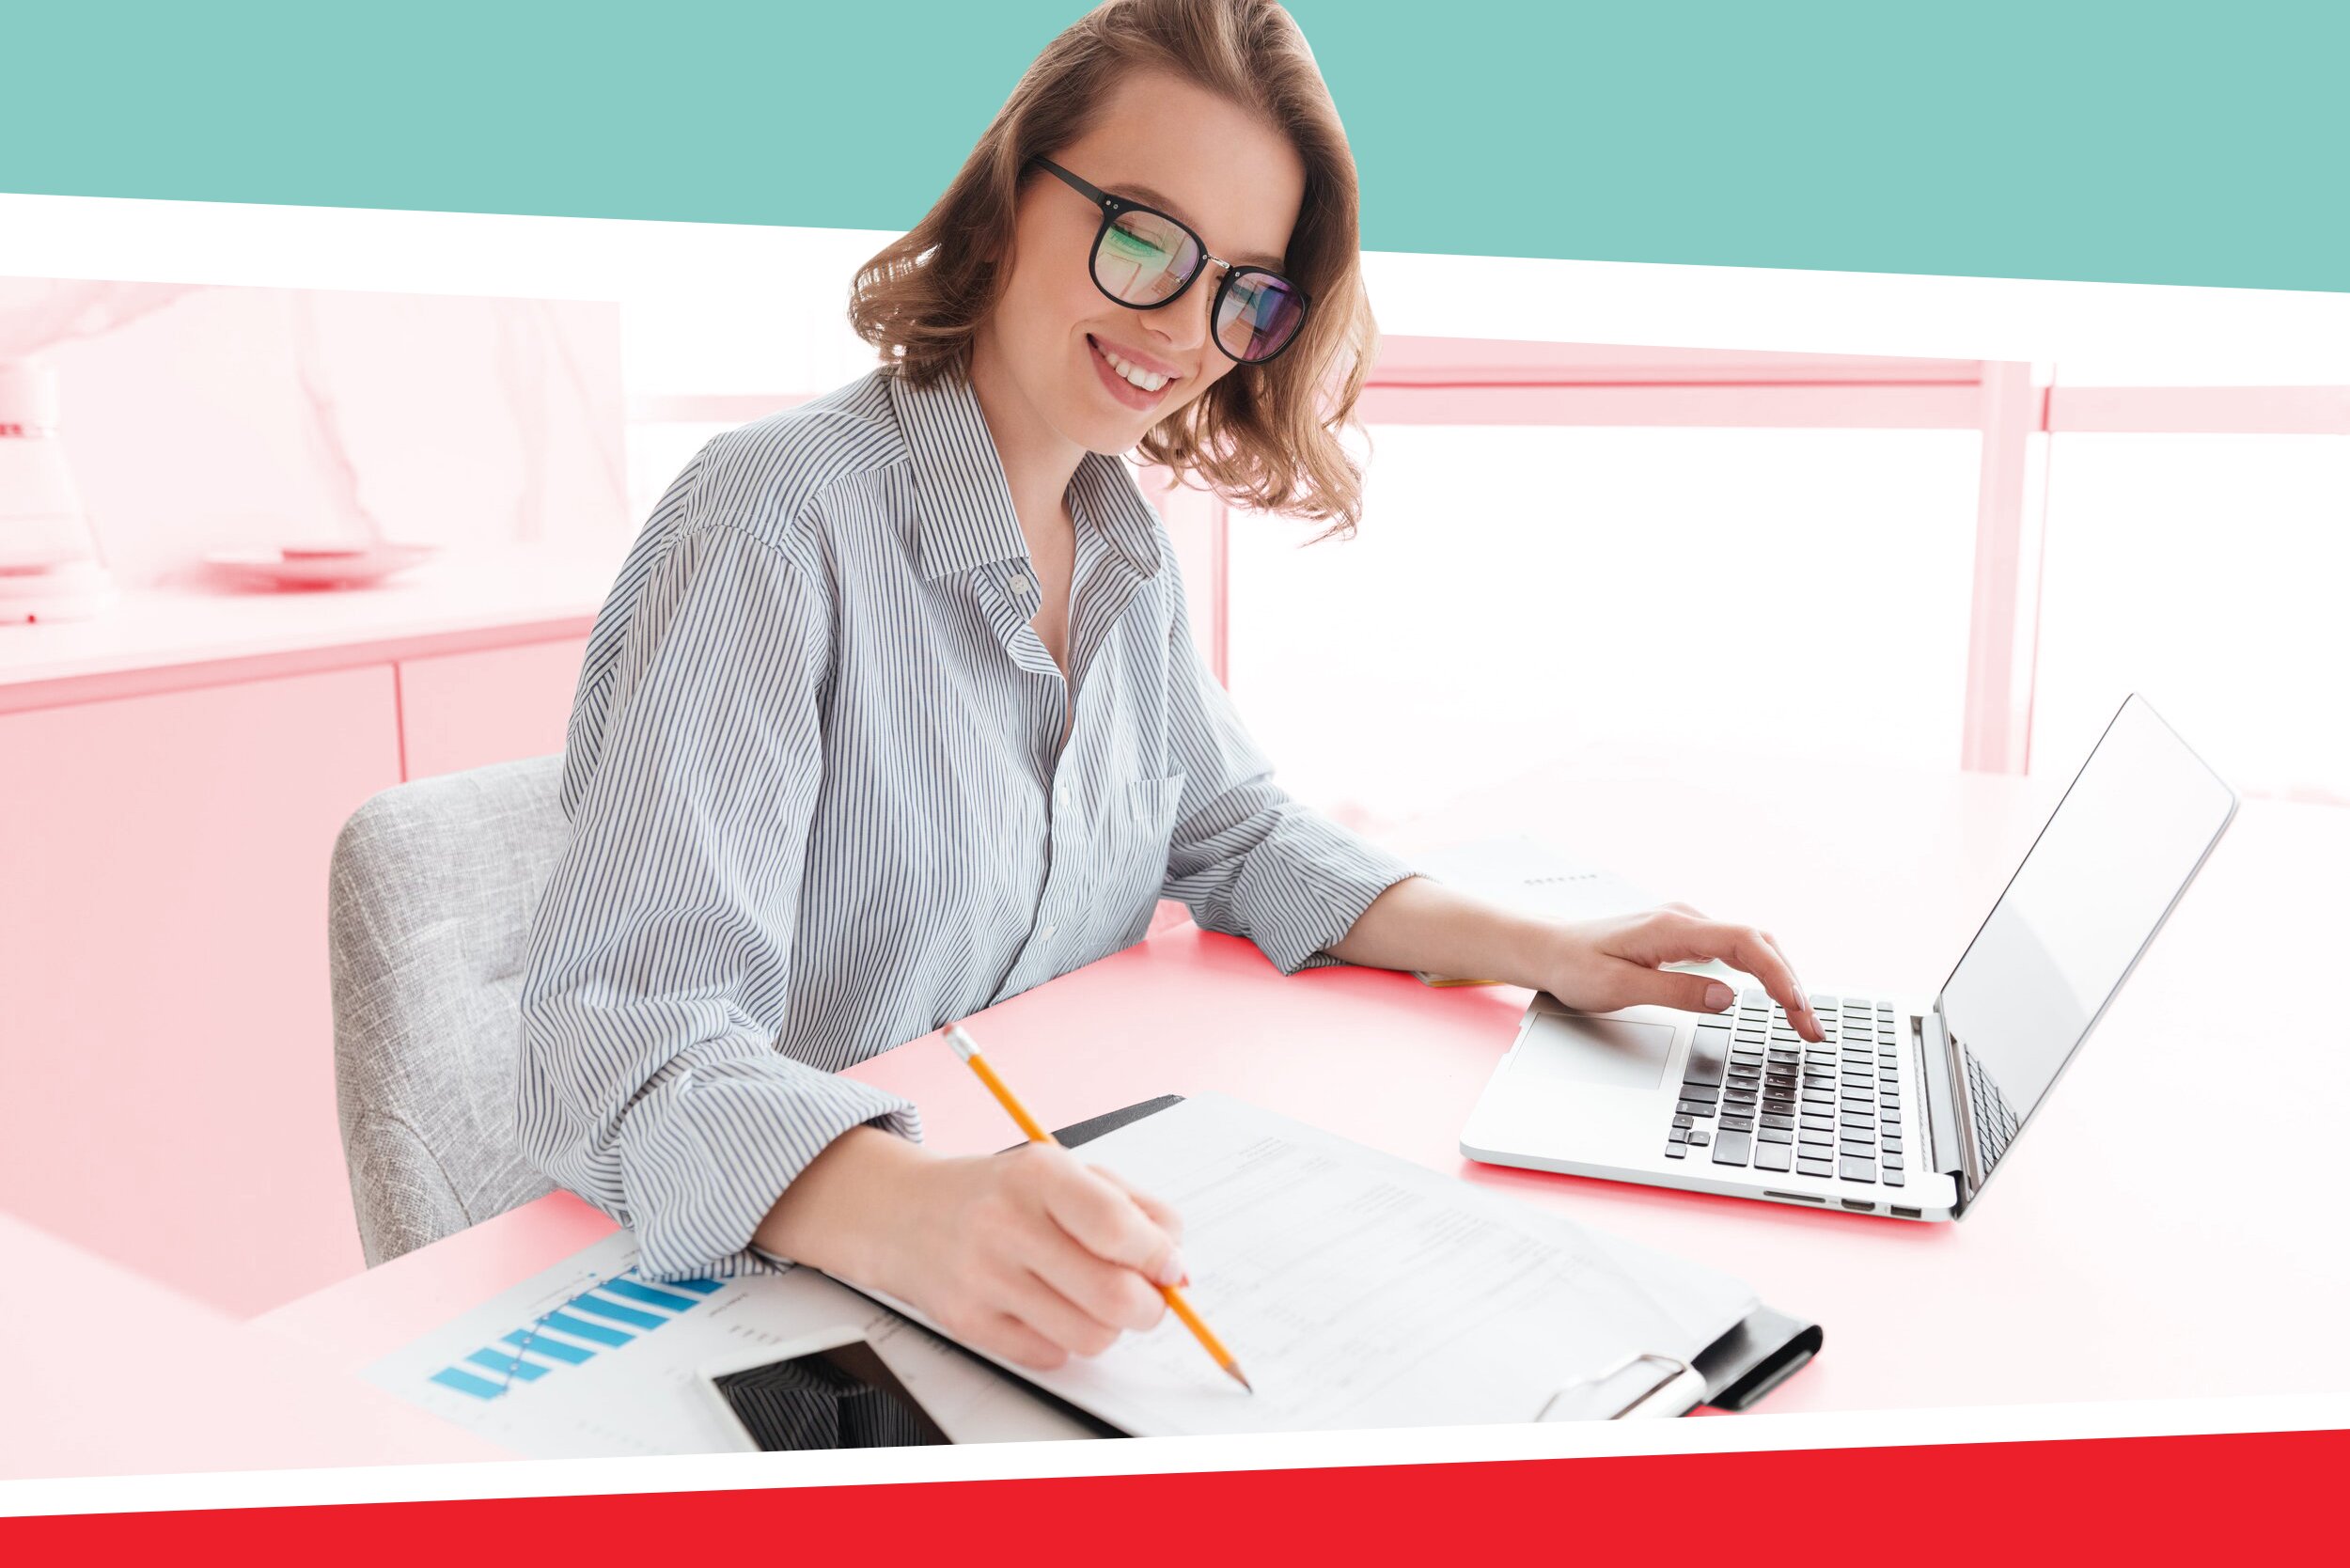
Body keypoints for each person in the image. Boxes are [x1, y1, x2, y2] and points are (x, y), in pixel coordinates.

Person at [517, 0, 1824, 1376]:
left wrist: (1547, 950)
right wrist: (912, 1215)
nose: (1185, 327)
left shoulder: (1120, 542)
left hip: (1042, 1246)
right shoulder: (775, 524)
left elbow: (1242, 838)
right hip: (786, 1281)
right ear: (1012, 193)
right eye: (1143, 234)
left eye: (1242, 291)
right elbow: (620, 1044)